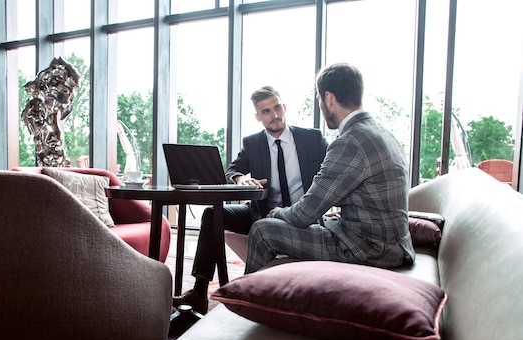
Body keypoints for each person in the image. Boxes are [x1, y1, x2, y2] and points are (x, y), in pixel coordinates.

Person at [245, 63, 416, 274]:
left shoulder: (349, 141)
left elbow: (303, 214)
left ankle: (244, 303)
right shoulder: (381, 132)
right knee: (320, 220)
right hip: (394, 244)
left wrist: (277, 213)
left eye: (319, 99)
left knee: (262, 230)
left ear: (329, 98)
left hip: (368, 250)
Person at [173, 86, 328, 313]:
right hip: (263, 214)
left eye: (277, 108)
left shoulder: (311, 139)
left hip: (302, 215)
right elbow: (232, 171)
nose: (274, 115)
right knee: (211, 214)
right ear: (258, 117)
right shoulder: (252, 143)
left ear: (284, 107)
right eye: (266, 111)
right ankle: (199, 291)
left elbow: (333, 172)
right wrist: (240, 179)